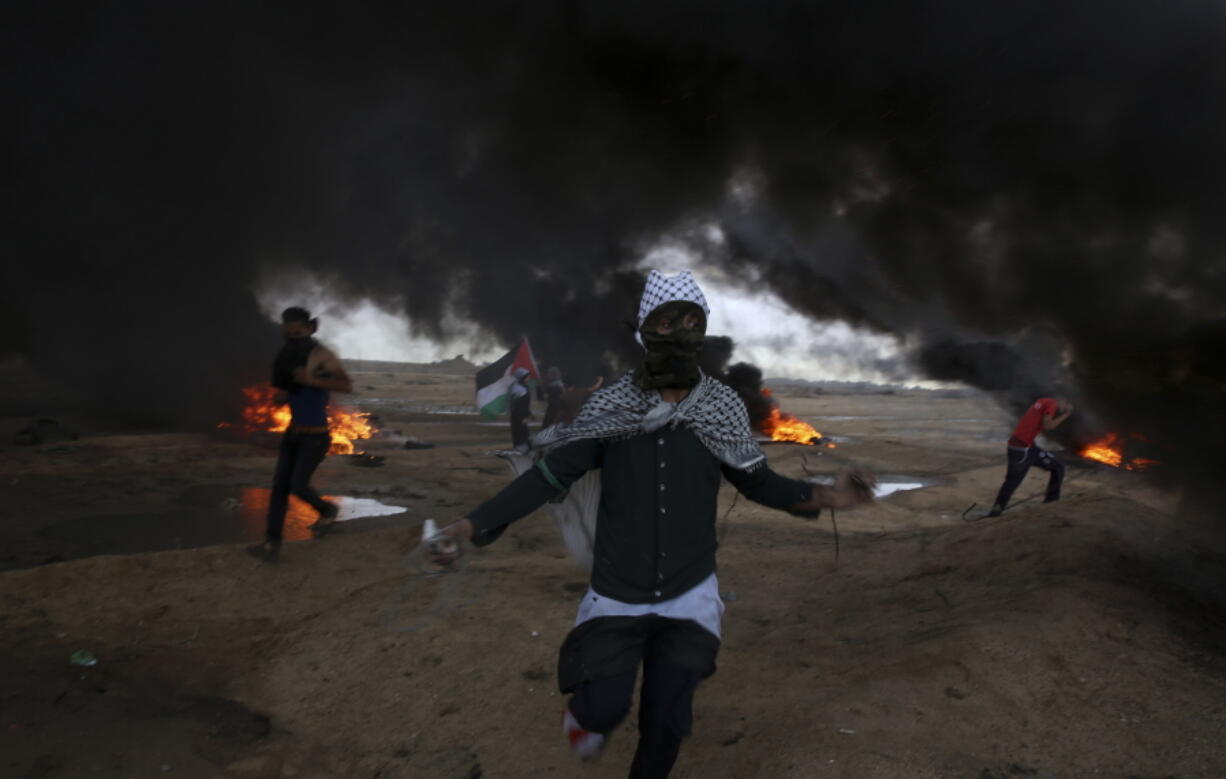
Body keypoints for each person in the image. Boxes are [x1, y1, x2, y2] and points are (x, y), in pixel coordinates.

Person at [430, 270, 875, 778]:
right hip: (618, 591)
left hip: (689, 595)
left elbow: (760, 483)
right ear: (645, 331)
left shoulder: (721, 407)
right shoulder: (612, 405)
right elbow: (547, 477)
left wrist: (829, 496)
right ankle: (583, 716)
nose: (682, 332)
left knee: (666, 724)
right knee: (603, 708)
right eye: (668, 322)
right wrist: (469, 527)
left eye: (693, 321)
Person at [248, 307, 353, 562]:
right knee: (279, 488)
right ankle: (272, 544)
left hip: (316, 437)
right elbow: (290, 386)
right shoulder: (287, 355)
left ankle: (327, 509)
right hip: (293, 434)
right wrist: (286, 396)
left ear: (310, 328)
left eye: (299, 332)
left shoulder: (321, 355)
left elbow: (344, 385)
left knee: (298, 485)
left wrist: (310, 380)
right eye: (289, 332)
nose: (294, 337)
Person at [988, 396, 1073, 517]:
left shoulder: (1042, 401)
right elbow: (1048, 426)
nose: (1066, 407)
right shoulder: (1052, 404)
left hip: (1024, 446)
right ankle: (995, 511)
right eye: (1067, 405)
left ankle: (1051, 503)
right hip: (1022, 450)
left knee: (1058, 465)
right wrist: (1065, 415)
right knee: (1012, 482)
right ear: (1063, 401)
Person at [508, 366, 533, 452]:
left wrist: (529, 414)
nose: (529, 378)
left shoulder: (523, 387)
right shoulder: (518, 389)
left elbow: (525, 405)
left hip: (521, 417)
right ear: (522, 377)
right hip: (518, 418)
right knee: (520, 436)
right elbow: (518, 406)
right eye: (527, 376)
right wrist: (523, 417)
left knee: (523, 437)